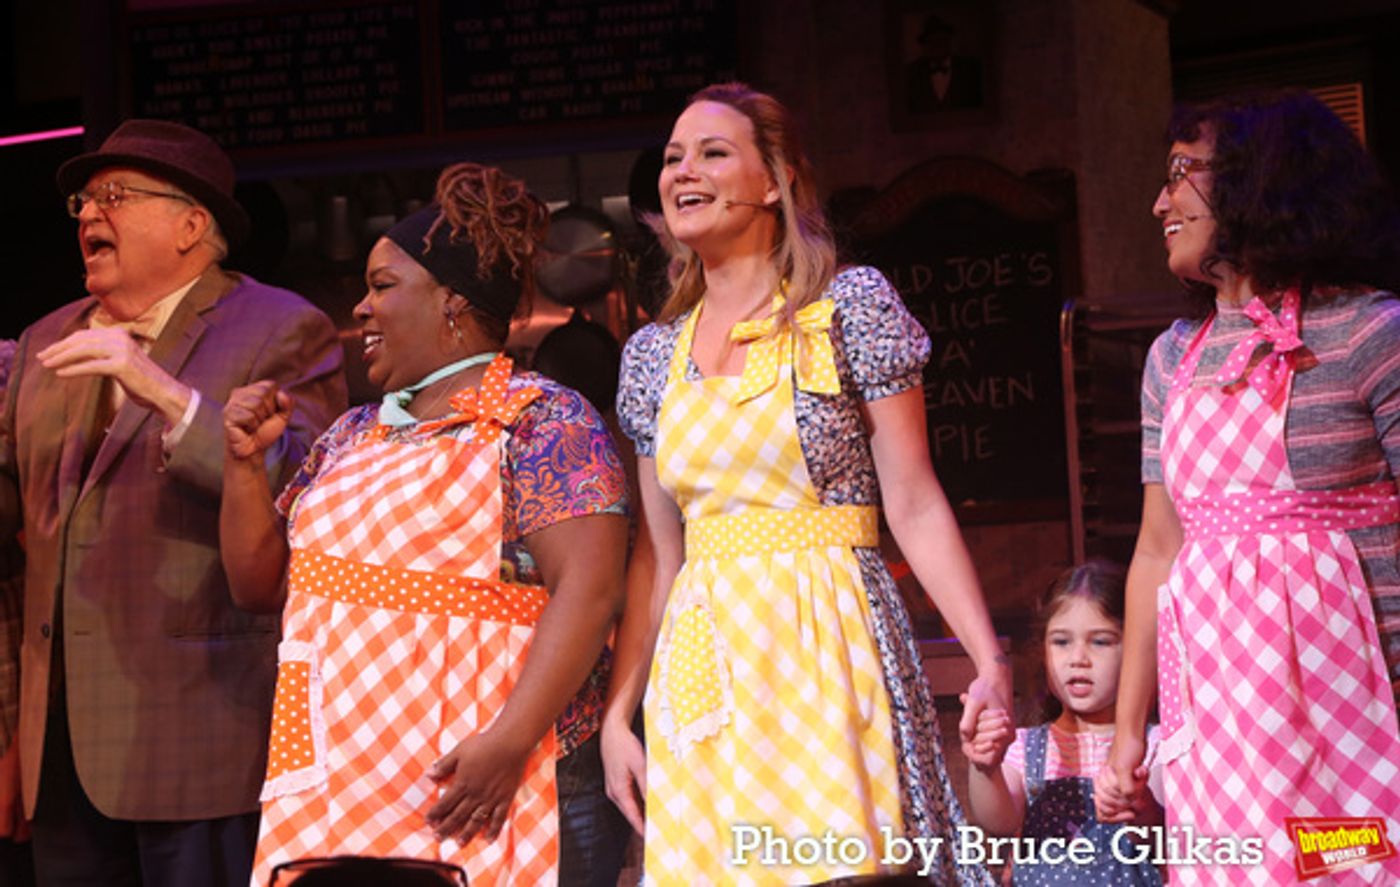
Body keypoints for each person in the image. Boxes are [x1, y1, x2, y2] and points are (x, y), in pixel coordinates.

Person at [602, 81, 1011, 884]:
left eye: (713, 153)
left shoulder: (848, 308)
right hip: (706, 665)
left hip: (831, 640)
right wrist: (622, 714)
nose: (684, 170)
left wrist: (988, 658)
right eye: (675, 157)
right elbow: (658, 555)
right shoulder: (652, 356)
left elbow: (914, 500)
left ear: (775, 180)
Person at [220, 161, 631, 887]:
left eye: (382, 286)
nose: (361, 309)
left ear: (451, 301)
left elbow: (591, 590)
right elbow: (260, 586)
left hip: (490, 782)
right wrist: (245, 466)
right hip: (344, 787)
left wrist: (508, 742)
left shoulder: (542, 420)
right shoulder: (351, 434)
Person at [0, 119, 347, 885]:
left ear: (192, 226)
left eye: (115, 196)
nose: (90, 215)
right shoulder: (43, 341)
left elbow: (307, 497)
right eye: (83, 203)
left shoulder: (281, 328)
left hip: (200, 740)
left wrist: (161, 390)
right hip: (61, 748)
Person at [1096, 90, 1400, 884]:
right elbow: (1158, 549)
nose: (1160, 202)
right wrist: (1129, 731)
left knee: (1354, 865)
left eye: (1182, 173)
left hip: (1354, 724)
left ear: (1259, 180)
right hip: (1222, 724)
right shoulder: (1172, 358)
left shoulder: (1368, 334)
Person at [966, 560, 1162, 886]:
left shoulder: (1154, 745)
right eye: (1061, 642)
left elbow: (1166, 838)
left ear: (1135, 653)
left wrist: (1141, 810)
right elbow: (999, 822)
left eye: (1100, 641)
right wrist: (985, 768)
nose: (1078, 658)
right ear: (1042, 650)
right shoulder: (1024, 745)